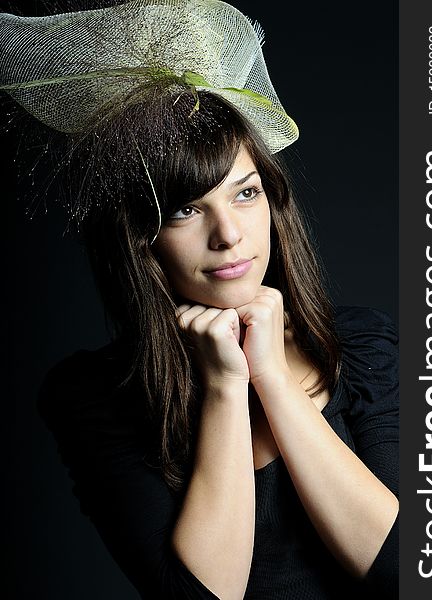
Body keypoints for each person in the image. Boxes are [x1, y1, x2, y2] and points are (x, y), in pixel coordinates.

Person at [1, 1, 399, 598]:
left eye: (245, 194)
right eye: (187, 209)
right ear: (139, 237)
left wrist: (270, 376)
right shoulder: (92, 396)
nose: (229, 235)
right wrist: (223, 387)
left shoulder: (362, 346)